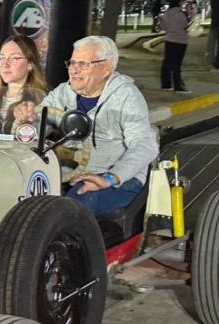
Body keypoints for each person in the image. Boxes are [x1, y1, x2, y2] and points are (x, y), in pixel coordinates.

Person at [39, 36, 158, 216]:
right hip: (71, 173)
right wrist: (27, 117)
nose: (73, 70)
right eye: (72, 63)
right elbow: (42, 119)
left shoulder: (127, 97)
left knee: (69, 209)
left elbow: (145, 144)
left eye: (83, 64)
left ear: (107, 67)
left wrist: (110, 178)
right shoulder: (63, 92)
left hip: (118, 179)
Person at [0, 35, 49, 136]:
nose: (5, 64)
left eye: (13, 58)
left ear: (30, 64)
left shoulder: (44, 100)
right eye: (1, 58)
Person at [160, 0, 191, 93]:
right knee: (177, 64)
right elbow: (186, 26)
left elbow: (163, 27)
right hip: (180, 40)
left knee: (167, 62)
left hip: (169, 39)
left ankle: (166, 84)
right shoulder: (181, 14)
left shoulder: (167, 13)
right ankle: (178, 85)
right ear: (180, 2)